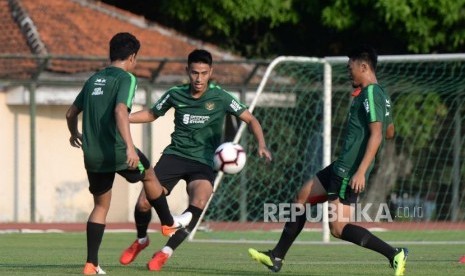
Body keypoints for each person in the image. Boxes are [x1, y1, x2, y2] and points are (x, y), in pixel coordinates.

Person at [248, 44, 408, 276]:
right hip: (341, 166)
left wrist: (361, 170)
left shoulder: (372, 93)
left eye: (350, 67)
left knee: (338, 228)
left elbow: (376, 134)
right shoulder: (380, 96)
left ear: (363, 66)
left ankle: (394, 254)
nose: (348, 71)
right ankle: (276, 257)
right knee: (301, 198)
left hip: (349, 171)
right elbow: (389, 132)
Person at [119, 49, 273, 271]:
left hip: (203, 162)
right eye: (194, 73)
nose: (199, 79)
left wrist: (261, 144)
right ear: (187, 72)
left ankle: (165, 252)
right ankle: (141, 240)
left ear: (210, 72)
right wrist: (125, 118)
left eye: (203, 73)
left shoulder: (220, 97)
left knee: (199, 201)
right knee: (144, 202)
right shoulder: (175, 93)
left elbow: (251, 119)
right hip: (175, 155)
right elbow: (152, 114)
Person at [65, 32, 192, 275]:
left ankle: (92, 263)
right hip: (118, 150)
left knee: (101, 206)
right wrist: (131, 147)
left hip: (92, 154)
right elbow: (121, 111)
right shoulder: (126, 78)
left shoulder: (93, 79)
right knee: (149, 174)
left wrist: (74, 134)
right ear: (132, 56)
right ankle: (167, 223)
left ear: (110, 53)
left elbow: (70, 113)